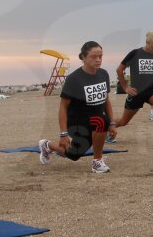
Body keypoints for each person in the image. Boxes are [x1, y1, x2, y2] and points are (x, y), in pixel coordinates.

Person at [38, 41, 116, 173]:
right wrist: (63, 134)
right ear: (83, 57)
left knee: (74, 154)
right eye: (93, 57)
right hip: (77, 122)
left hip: (95, 121)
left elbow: (106, 101)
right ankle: (97, 161)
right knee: (100, 122)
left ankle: (48, 145)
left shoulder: (103, 74)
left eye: (100, 56)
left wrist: (112, 123)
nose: (98, 60)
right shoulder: (74, 79)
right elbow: (63, 107)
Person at [117, 31, 153, 146]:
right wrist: (125, 87)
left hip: (152, 92)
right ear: (147, 42)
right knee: (123, 121)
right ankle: (108, 128)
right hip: (136, 93)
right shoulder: (135, 53)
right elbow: (119, 70)